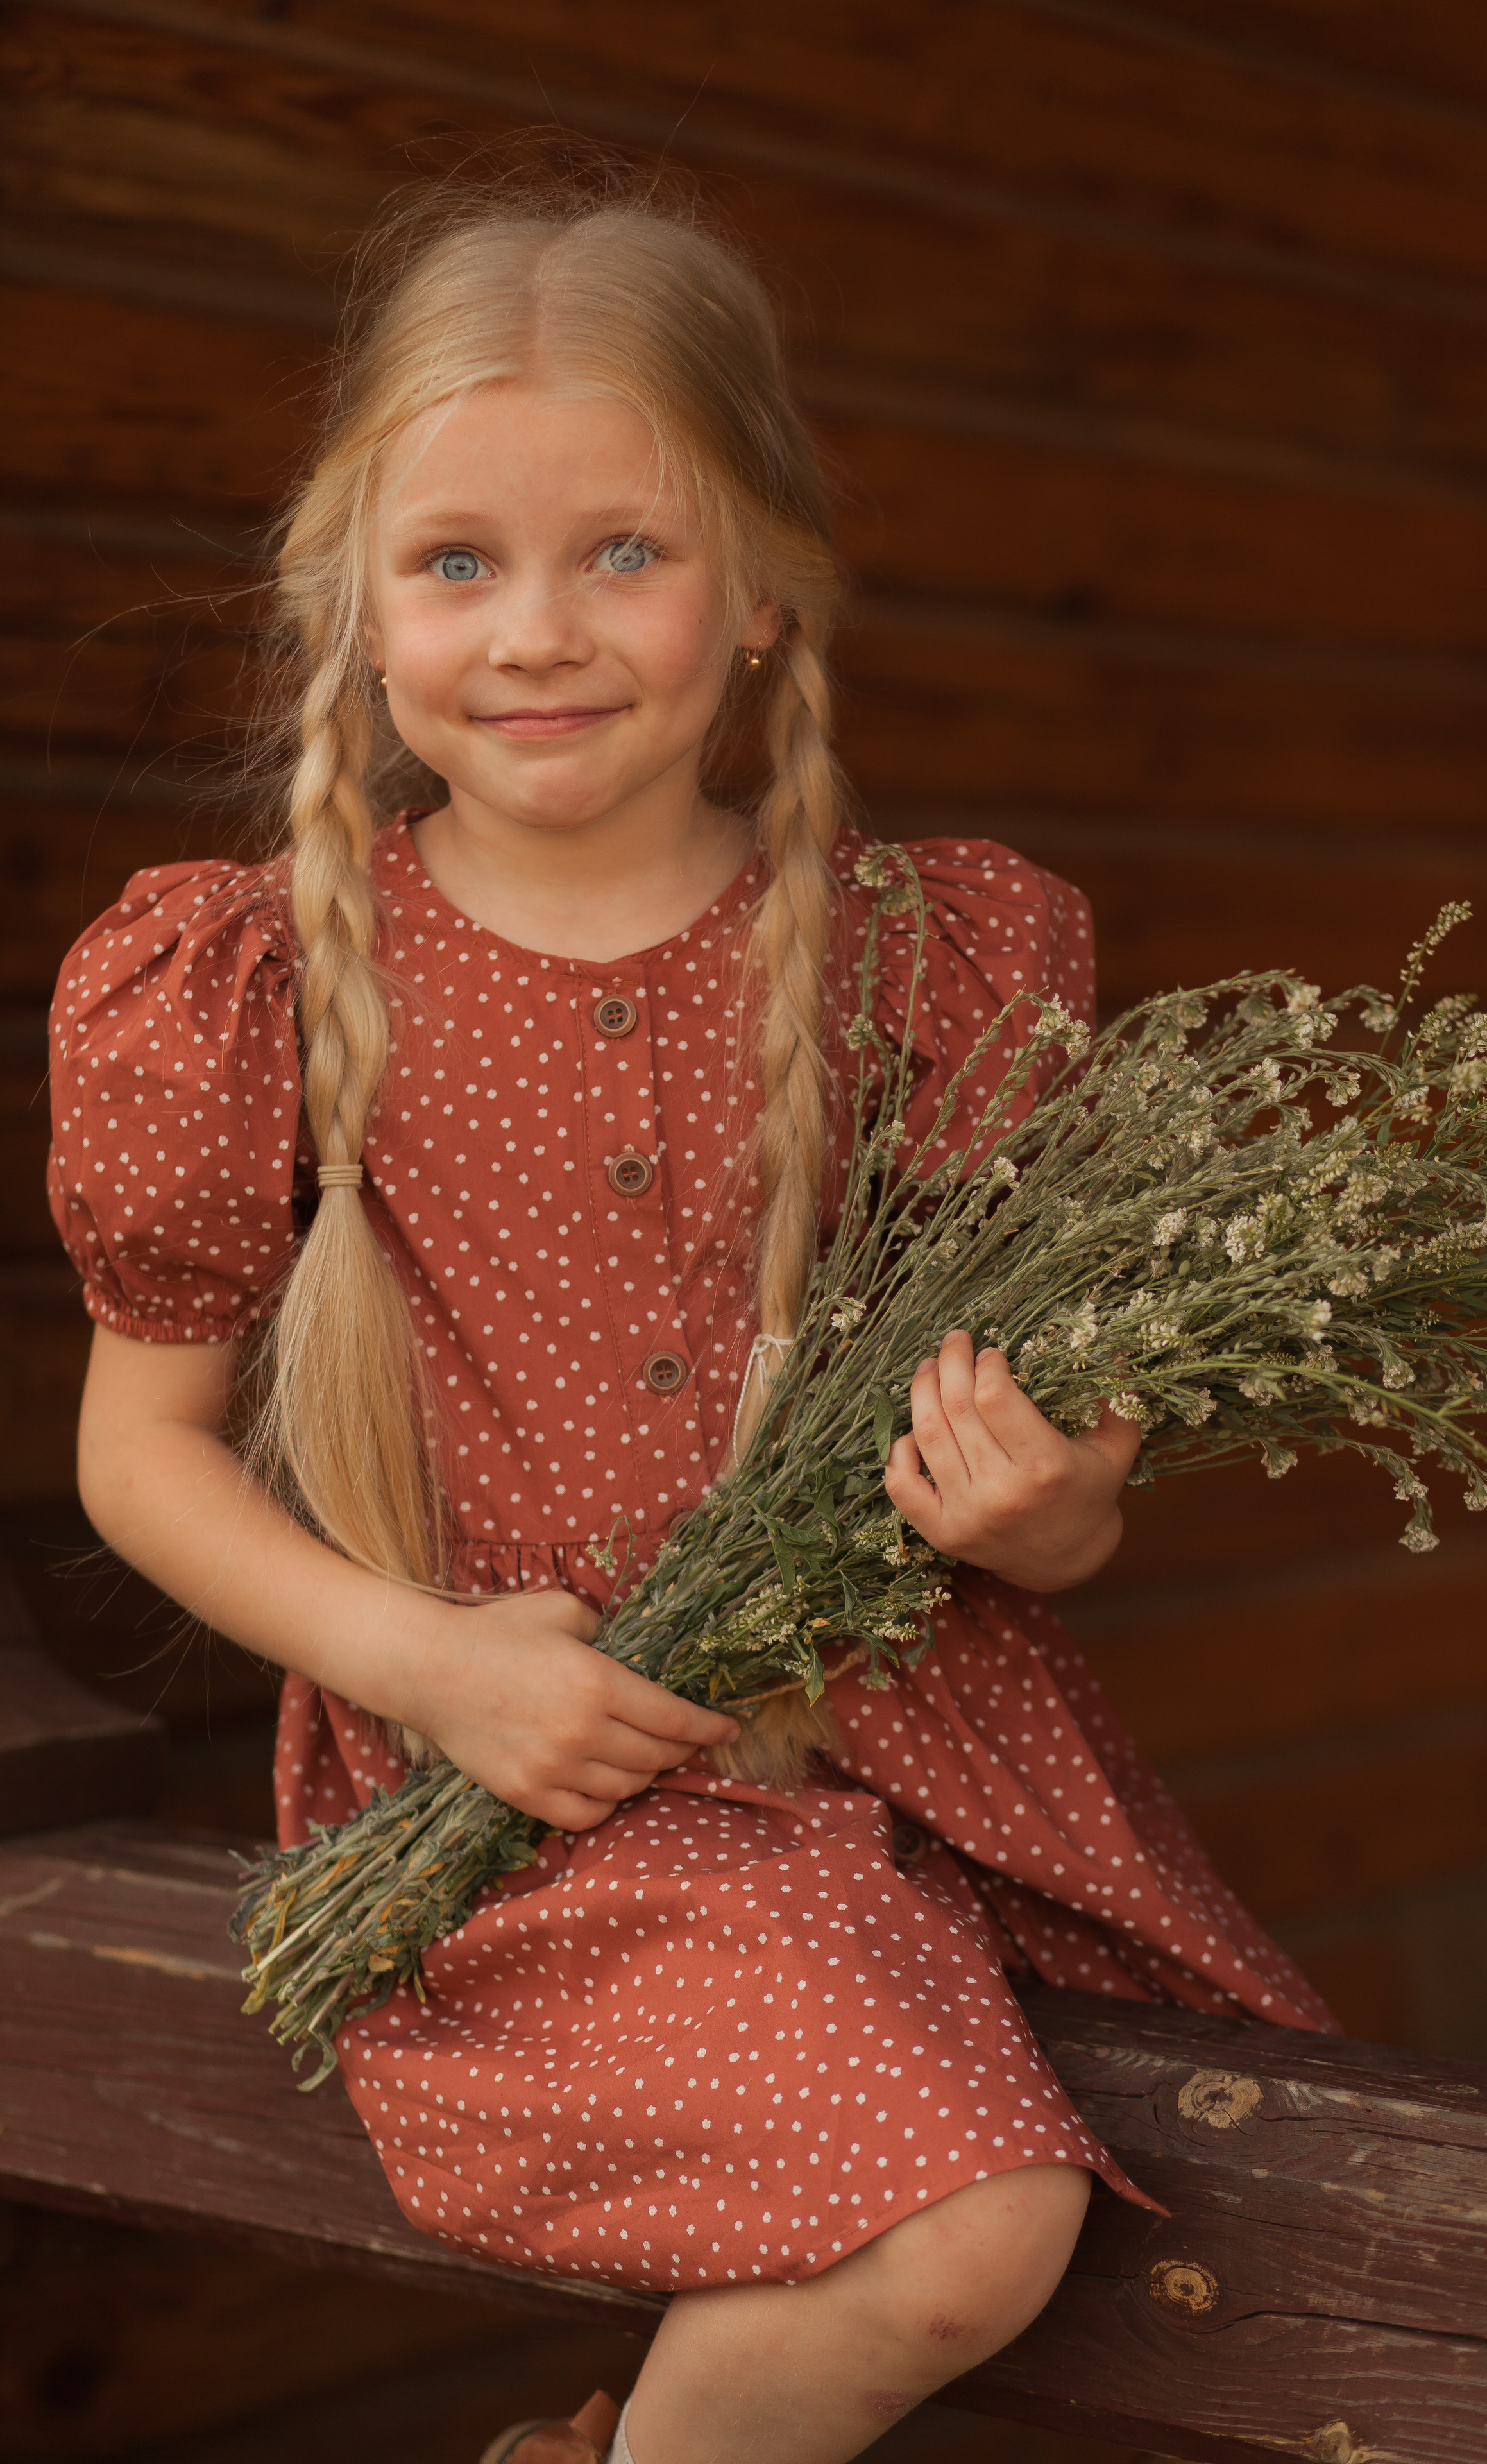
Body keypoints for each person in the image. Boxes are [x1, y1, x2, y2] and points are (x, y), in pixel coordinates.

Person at [49, 180, 1333, 2464]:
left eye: (622, 552)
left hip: (952, 1767)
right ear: (352, 594)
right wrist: (425, 1663)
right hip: (547, 1785)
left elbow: (1068, 1498)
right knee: (975, 2231)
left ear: (762, 589)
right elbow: (132, 1452)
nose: (537, 631)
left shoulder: (926, 968)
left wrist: (1045, 1511)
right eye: (456, 560)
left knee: (1317, 2219)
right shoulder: (255, 988)